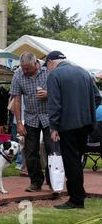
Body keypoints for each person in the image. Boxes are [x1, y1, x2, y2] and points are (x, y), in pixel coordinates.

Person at [46, 51, 101, 209]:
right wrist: (87, 113)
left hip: (67, 125)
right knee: (77, 160)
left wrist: (53, 126)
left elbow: (54, 103)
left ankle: (76, 199)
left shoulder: (55, 75)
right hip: (85, 124)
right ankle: (79, 194)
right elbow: (97, 98)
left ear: (51, 62)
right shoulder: (84, 72)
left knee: (71, 162)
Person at [10, 52, 52, 192]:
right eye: (23, 68)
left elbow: (60, 93)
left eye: (28, 68)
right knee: (30, 151)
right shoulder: (18, 74)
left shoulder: (49, 72)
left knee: (51, 150)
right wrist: (19, 123)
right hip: (31, 118)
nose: (25, 71)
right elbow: (16, 99)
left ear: (36, 64)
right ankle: (35, 182)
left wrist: (48, 94)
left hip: (49, 117)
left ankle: (53, 180)